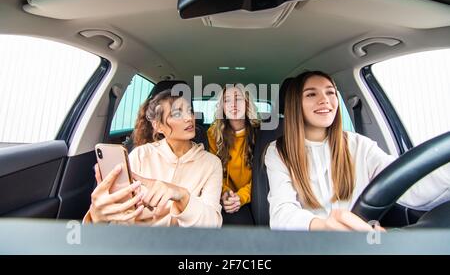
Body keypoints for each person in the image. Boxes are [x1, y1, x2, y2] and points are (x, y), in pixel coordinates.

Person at [265, 71, 450, 231]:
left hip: (358, 240)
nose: (325, 100)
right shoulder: (278, 151)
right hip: (308, 244)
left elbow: (404, 183)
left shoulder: (358, 144)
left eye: (330, 92)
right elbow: (282, 213)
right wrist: (323, 226)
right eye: (311, 94)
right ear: (295, 105)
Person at [84, 89, 223, 227]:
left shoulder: (211, 163)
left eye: (190, 111)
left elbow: (213, 224)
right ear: (158, 126)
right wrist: (97, 218)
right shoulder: (140, 155)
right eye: (177, 113)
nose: (189, 118)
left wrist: (182, 195)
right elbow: (120, 217)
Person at [207, 84, 260, 225]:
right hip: (223, 196)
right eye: (227, 100)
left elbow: (263, 175)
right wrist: (225, 193)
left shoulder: (261, 133)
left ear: (247, 104)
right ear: (222, 107)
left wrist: (241, 197)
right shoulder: (213, 134)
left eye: (238, 99)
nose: (233, 104)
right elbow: (212, 171)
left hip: (254, 196)